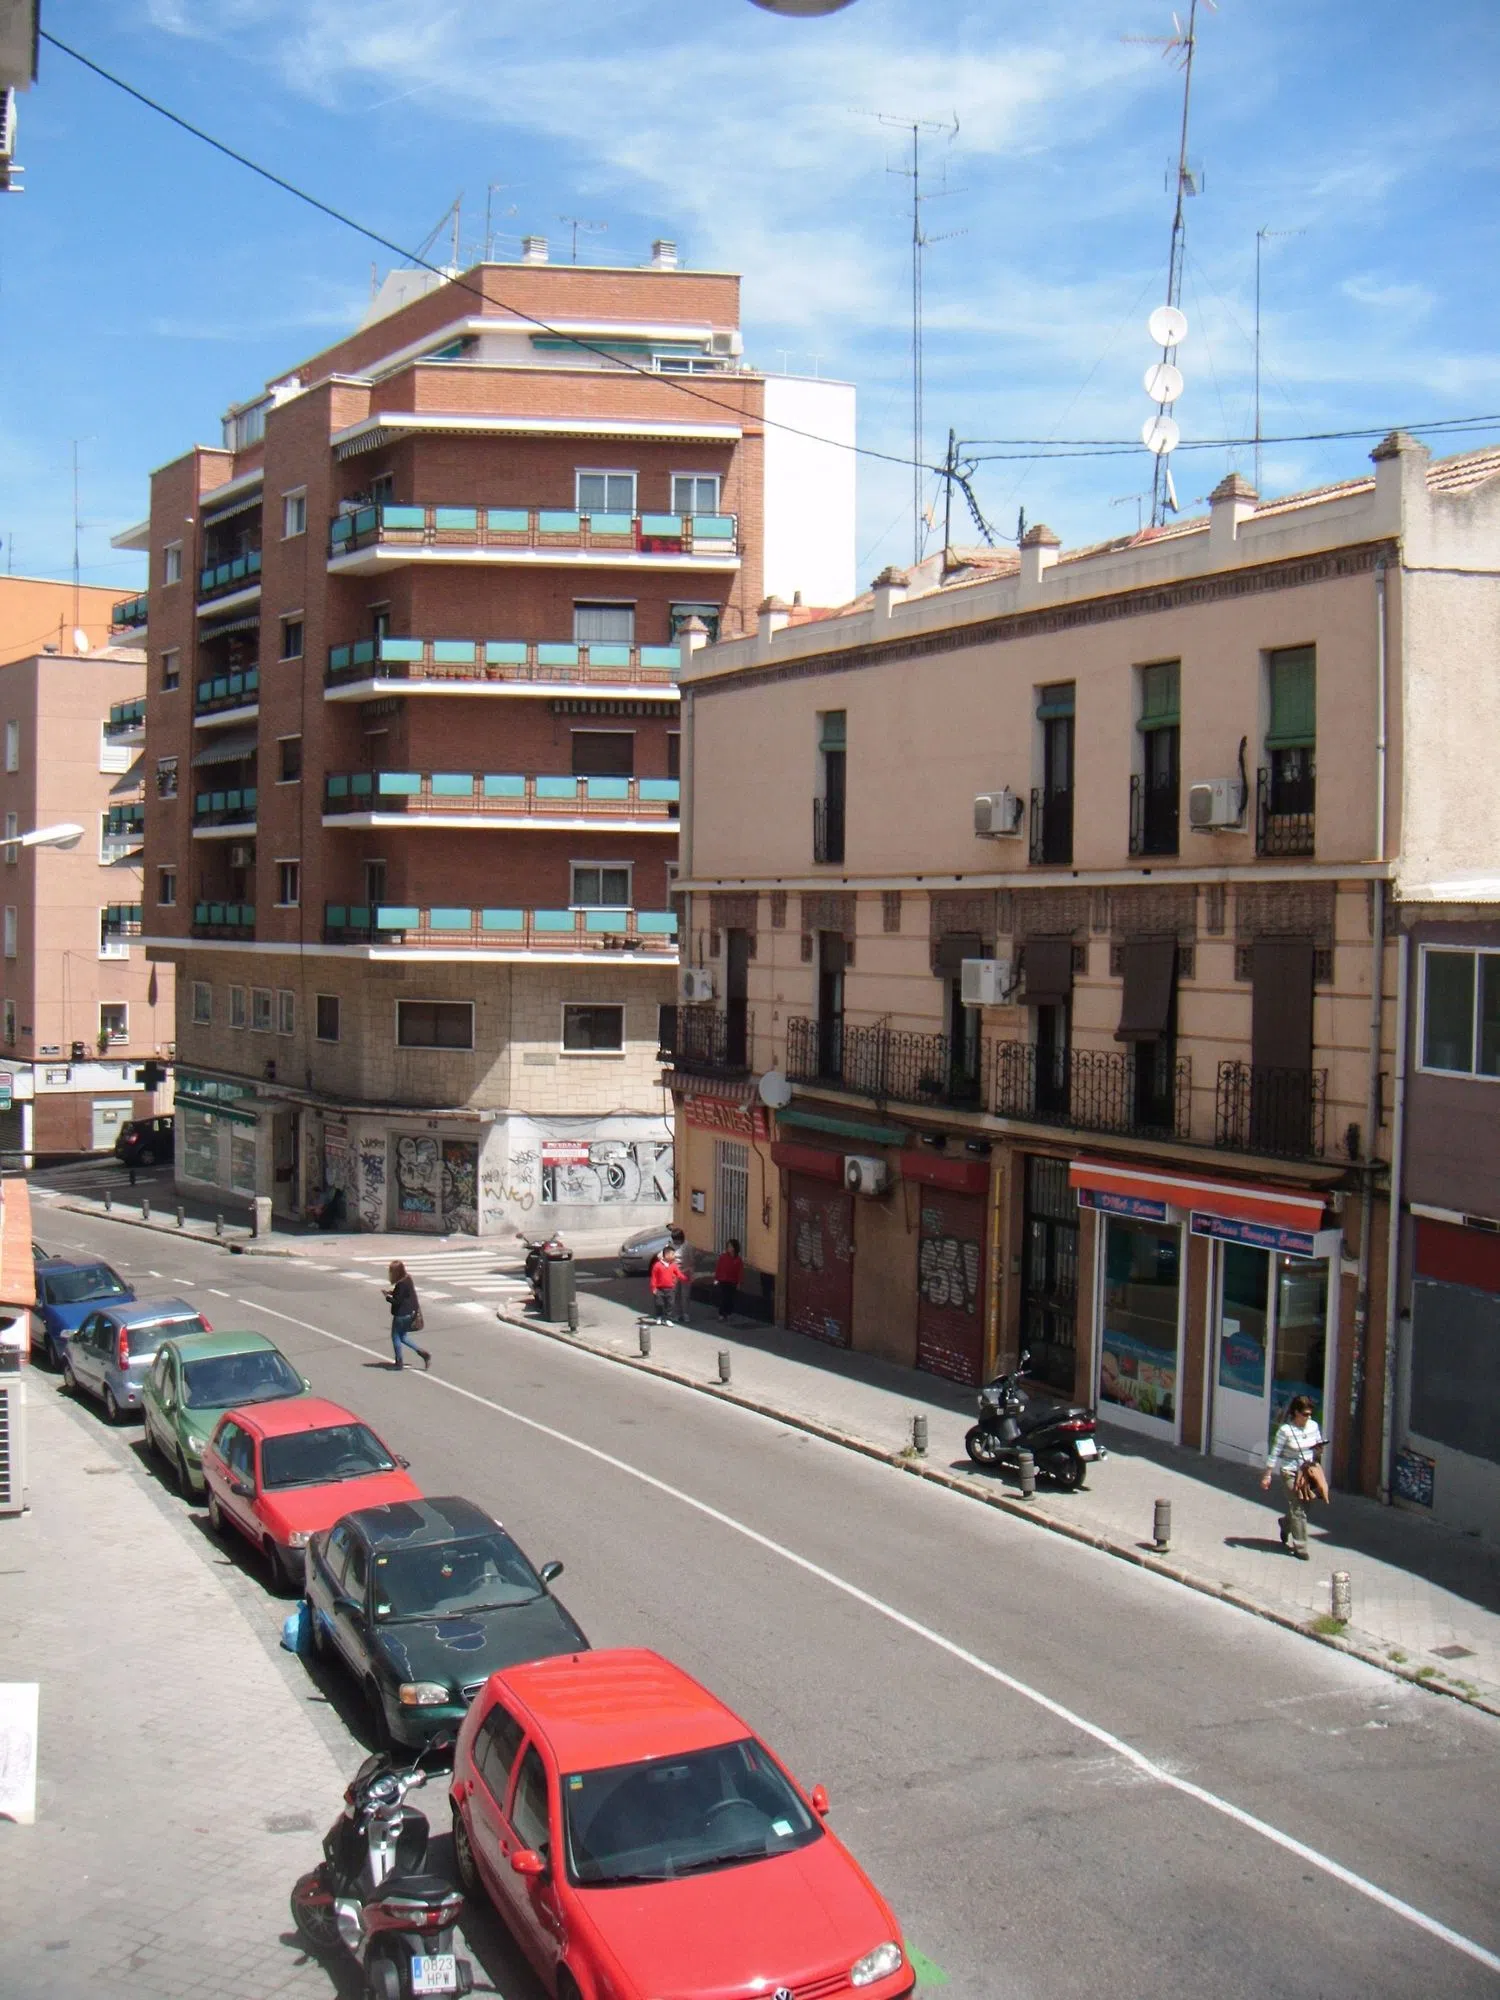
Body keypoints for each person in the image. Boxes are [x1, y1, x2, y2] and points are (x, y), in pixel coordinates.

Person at [1261, 1394, 1325, 1559]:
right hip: (1290, 1472)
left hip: (1307, 1472)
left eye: (1310, 1414)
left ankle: (1285, 1523)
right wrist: (1267, 1474)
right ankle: (1300, 1548)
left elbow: (1317, 1444)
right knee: (1298, 1508)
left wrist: (1319, 1449)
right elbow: (1274, 1453)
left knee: (1307, 1504)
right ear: (1296, 1413)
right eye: (1305, 1414)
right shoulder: (1286, 1431)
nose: (1308, 1417)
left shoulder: (1313, 1426)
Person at [383, 1259, 430, 1372]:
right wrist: (392, 1293)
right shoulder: (408, 1279)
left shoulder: (400, 1284)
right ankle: (422, 1352)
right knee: (403, 1336)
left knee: (395, 1337)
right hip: (411, 1313)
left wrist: (387, 1297)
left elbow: (397, 1301)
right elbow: (405, 1294)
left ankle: (399, 1362)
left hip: (401, 1314)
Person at [713, 1239, 744, 1322]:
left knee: (730, 1298)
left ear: (735, 1248)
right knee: (724, 1297)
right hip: (723, 1280)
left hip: (733, 1281)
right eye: (728, 1246)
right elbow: (719, 1268)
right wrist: (716, 1278)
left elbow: (740, 1272)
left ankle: (729, 1313)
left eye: (731, 1246)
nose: (729, 1248)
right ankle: (722, 1314)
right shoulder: (723, 1257)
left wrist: (739, 1282)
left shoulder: (738, 1260)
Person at [670, 1228, 696, 1324]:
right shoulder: (671, 1245)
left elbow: (692, 1261)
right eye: (674, 1239)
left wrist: (692, 1274)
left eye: (676, 1239)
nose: (675, 1242)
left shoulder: (688, 1246)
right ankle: (677, 1314)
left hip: (685, 1272)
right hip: (674, 1273)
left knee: (685, 1295)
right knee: (676, 1294)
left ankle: (686, 1314)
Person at [648, 1243, 679, 1324]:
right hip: (659, 1288)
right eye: (672, 1254)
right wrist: (653, 1288)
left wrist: (683, 1279)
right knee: (659, 1303)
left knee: (670, 1304)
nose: (674, 1256)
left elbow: (677, 1274)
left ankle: (668, 1319)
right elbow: (654, 1277)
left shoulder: (673, 1265)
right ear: (667, 1255)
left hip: (670, 1288)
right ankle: (659, 1316)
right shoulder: (657, 1266)